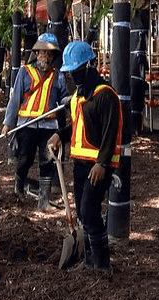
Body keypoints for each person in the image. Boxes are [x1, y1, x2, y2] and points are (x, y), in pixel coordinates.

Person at [47, 41, 122, 272]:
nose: (72, 76)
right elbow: (78, 126)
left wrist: (102, 163)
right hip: (80, 164)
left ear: (88, 66)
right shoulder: (79, 96)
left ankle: (101, 264)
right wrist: (61, 135)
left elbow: (111, 133)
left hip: (97, 166)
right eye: (70, 73)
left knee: (89, 211)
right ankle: (89, 261)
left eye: (75, 71)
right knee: (82, 212)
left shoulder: (105, 95)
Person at [2, 33, 70, 208]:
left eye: (49, 54)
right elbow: (15, 99)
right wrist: (8, 123)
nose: (45, 57)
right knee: (25, 158)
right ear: (36, 53)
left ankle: (44, 199)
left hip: (49, 125)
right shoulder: (25, 72)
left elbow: (62, 99)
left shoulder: (58, 76)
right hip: (27, 124)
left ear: (53, 57)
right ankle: (18, 188)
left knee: (47, 160)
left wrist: (68, 101)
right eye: (42, 53)